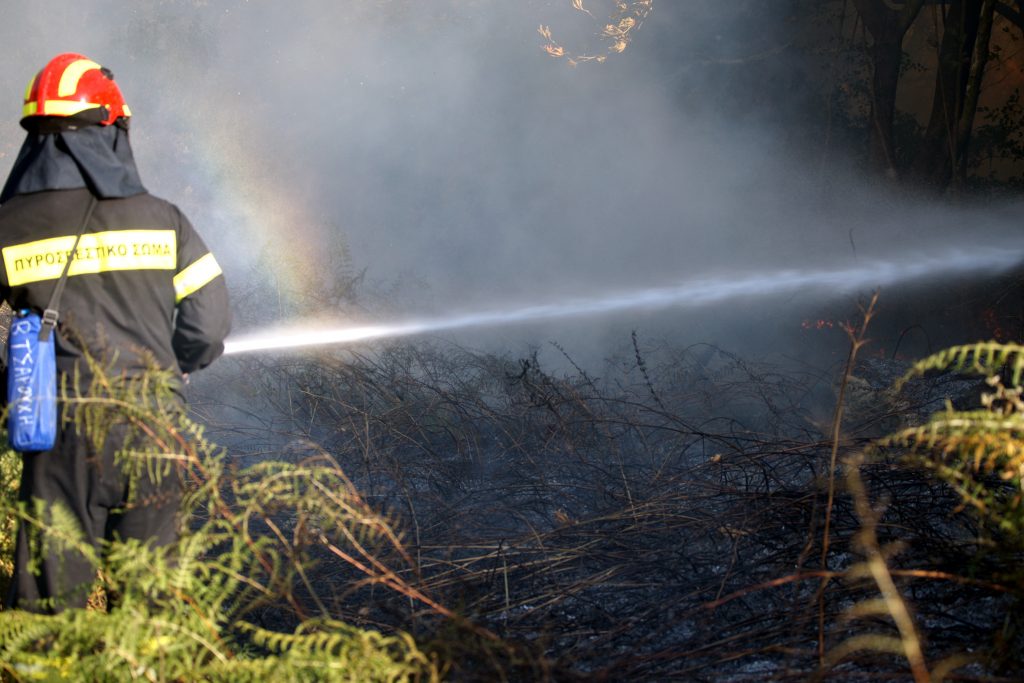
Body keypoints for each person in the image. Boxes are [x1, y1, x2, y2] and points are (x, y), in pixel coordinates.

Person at [0, 53, 231, 612]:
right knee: (151, 604)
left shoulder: (8, 225)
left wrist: (8, 385)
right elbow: (209, 324)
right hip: (154, 426)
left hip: (60, 430)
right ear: (112, 130)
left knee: (50, 607)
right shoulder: (164, 219)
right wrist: (177, 364)